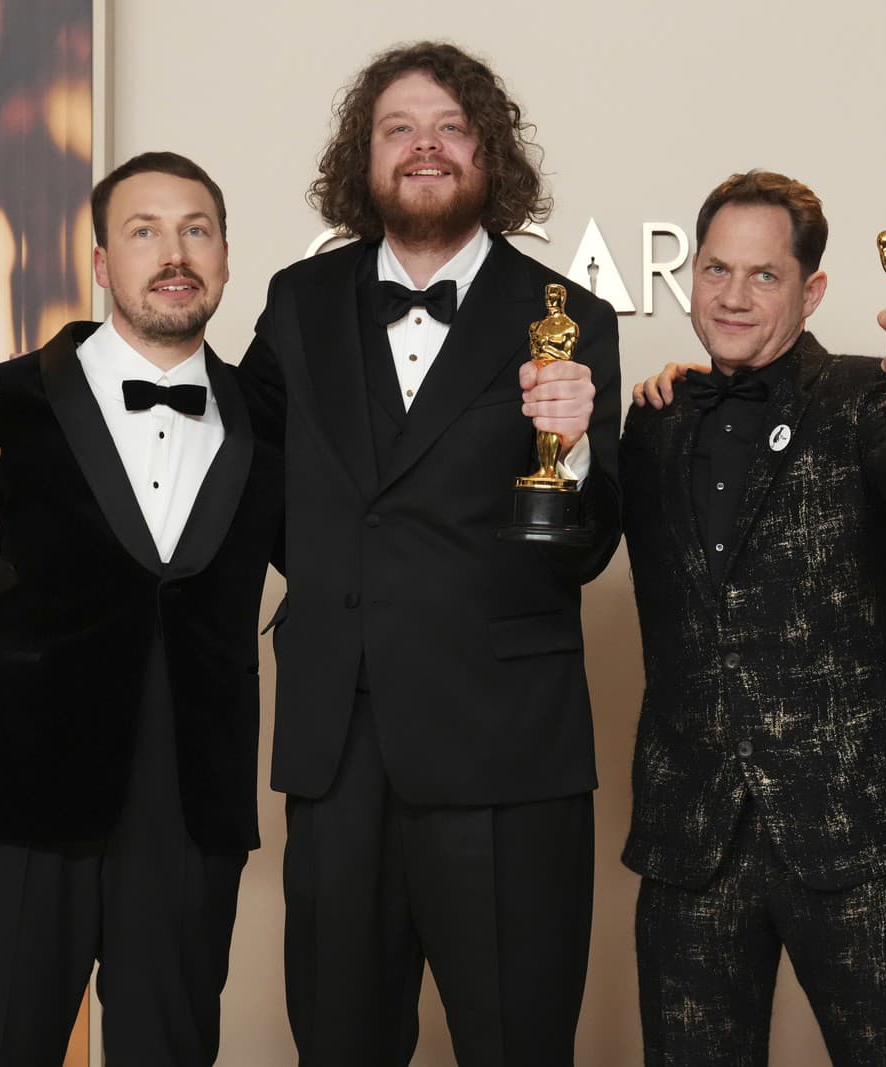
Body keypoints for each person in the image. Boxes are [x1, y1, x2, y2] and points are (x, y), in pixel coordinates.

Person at [237, 41, 620, 1065]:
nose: (425, 147)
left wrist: (577, 448)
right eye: (398, 128)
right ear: (362, 157)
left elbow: (588, 544)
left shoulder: (571, 317)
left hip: (508, 751)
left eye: (451, 127)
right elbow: (247, 483)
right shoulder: (295, 301)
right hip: (338, 749)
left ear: (490, 152)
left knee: (518, 1043)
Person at [0, 151, 281, 1067]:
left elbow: (350, 559)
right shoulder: (1, 400)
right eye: (144, 231)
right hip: (22, 802)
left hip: (192, 815)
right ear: (102, 261)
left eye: (196, 230)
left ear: (225, 257)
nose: (173, 253)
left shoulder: (270, 418)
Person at [623, 170, 886, 1065]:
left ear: (811, 290)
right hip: (690, 838)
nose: (733, 296)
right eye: (716, 270)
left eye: (764, 275)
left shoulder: (871, 397)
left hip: (852, 830)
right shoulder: (654, 421)